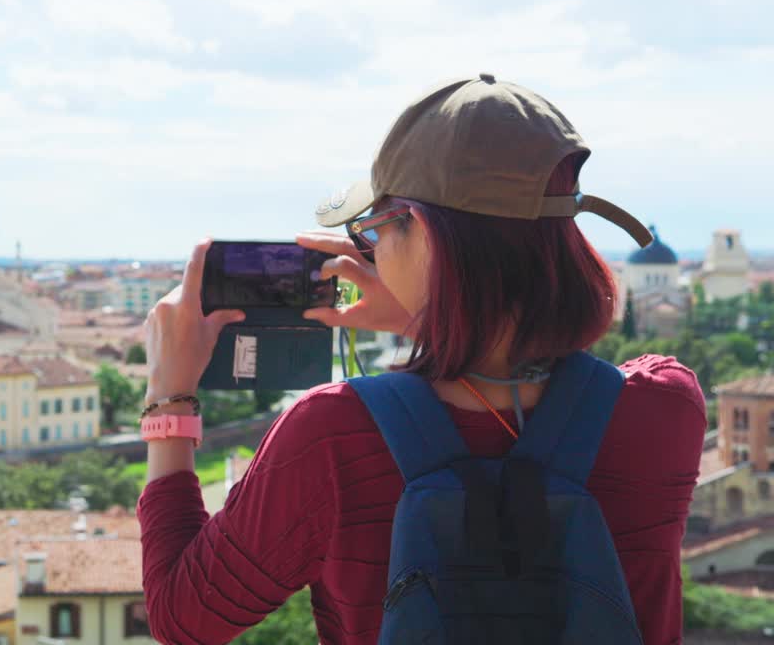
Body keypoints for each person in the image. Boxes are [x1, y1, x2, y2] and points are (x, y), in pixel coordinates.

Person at [137, 74, 706, 645]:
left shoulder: (330, 435)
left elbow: (182, 618)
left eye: (374, 232)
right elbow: (555, 386)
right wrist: (434, 314)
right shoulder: (666, 407)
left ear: (426, 236)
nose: (371, 254)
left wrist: (169, 400)